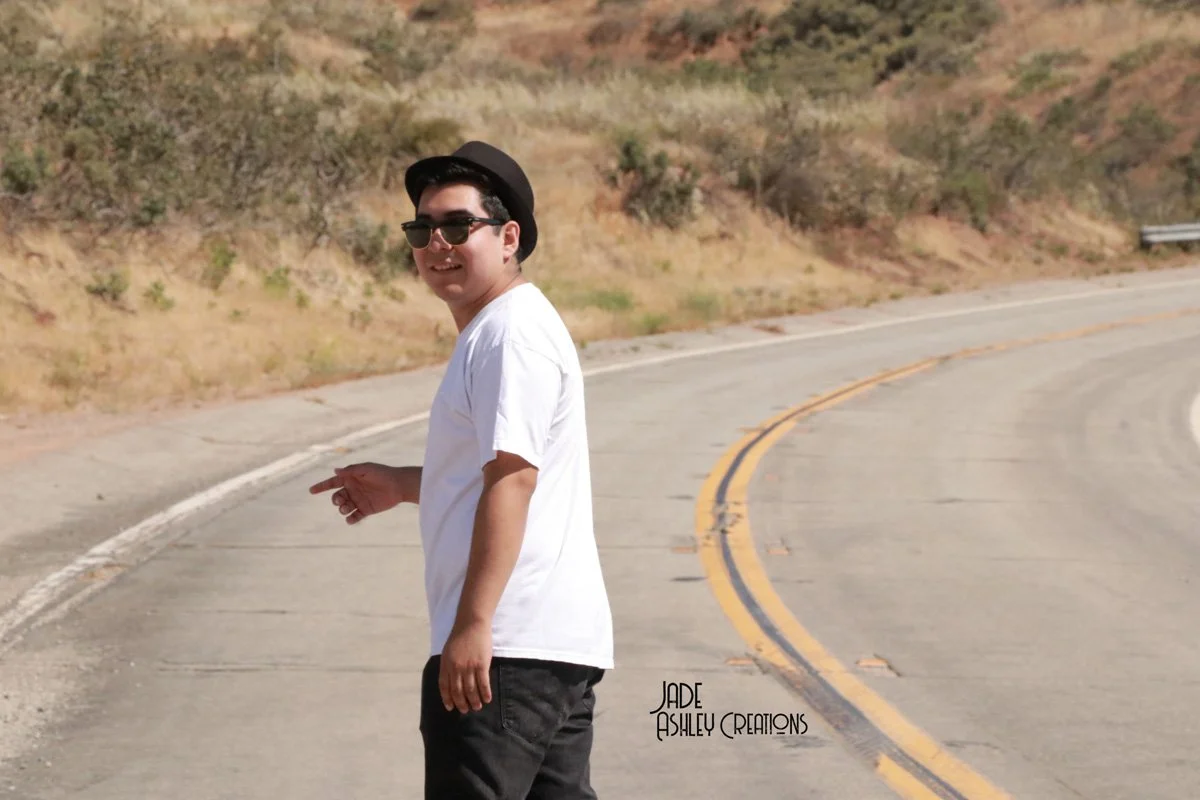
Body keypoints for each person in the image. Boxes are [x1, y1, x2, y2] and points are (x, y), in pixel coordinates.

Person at [309, 141, 614, 799]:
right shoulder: (503, 329)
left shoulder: (510, 334)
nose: (436, 243)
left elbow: (514, 478)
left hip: (507, 649)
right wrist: (401, 484)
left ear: (508, 237)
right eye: (422, 228)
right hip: (545, 649)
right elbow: (497, 473)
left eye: (457, 226)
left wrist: (474, 624)